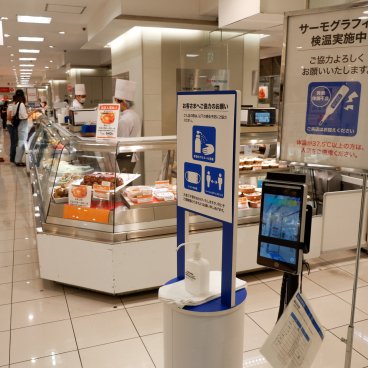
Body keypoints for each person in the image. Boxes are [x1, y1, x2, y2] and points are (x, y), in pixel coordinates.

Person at [114, 79, 141, 173]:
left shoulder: (124, 120)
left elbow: (121, 141)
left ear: (123, 102)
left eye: (116, 101)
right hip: (132, 155)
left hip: (124, 157)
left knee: (122, 182)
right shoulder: (135, 115)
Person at [13, 90, 31, 167]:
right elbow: (24, 116)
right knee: (22, 142)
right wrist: (30, 113)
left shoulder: (16, 104)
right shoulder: (22, 104)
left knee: (20, 142)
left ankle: (18, 160)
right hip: (23, 124)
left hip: (19, 125)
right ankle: (18, 160)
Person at [6, 95, 17, 163]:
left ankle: (13, 157)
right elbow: (9, 117)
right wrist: (15, 123)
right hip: (11, 125)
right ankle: (12, 158)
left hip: (11, 125)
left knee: (14, 142)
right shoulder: (11, 106)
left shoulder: (13, 106)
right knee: (14, 142)